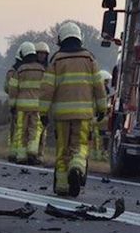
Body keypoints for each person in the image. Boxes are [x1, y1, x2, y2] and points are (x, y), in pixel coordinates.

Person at [39, 22, 107, 197]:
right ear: (79, 37)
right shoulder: (89, 59)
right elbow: (99, 86)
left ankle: (62, 187)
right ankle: (76, 168)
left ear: (61, 38)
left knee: (62, 150)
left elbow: (47, 89)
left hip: (62, 116)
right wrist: (102, 108)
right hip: (83, 115)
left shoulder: (56, 59)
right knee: (80, 146)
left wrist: (43, 113)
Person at [11, 42, 45, 165]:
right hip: (37, 106)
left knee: (21, 131)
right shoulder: (41, 69)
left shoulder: (20, 70)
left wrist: (12, 105)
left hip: (21, 106)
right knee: (34, 129)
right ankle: (32, 150)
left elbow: (13, 89)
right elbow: (47, 87)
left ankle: (21, 156)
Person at [4, 47, 23, 162]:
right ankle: (15, 152)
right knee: (20, 129)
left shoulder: (12, 71)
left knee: (16, 129)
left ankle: (14, 152)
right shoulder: (20, 71)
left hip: (16, 103)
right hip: (20, 103)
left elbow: (7, 88)